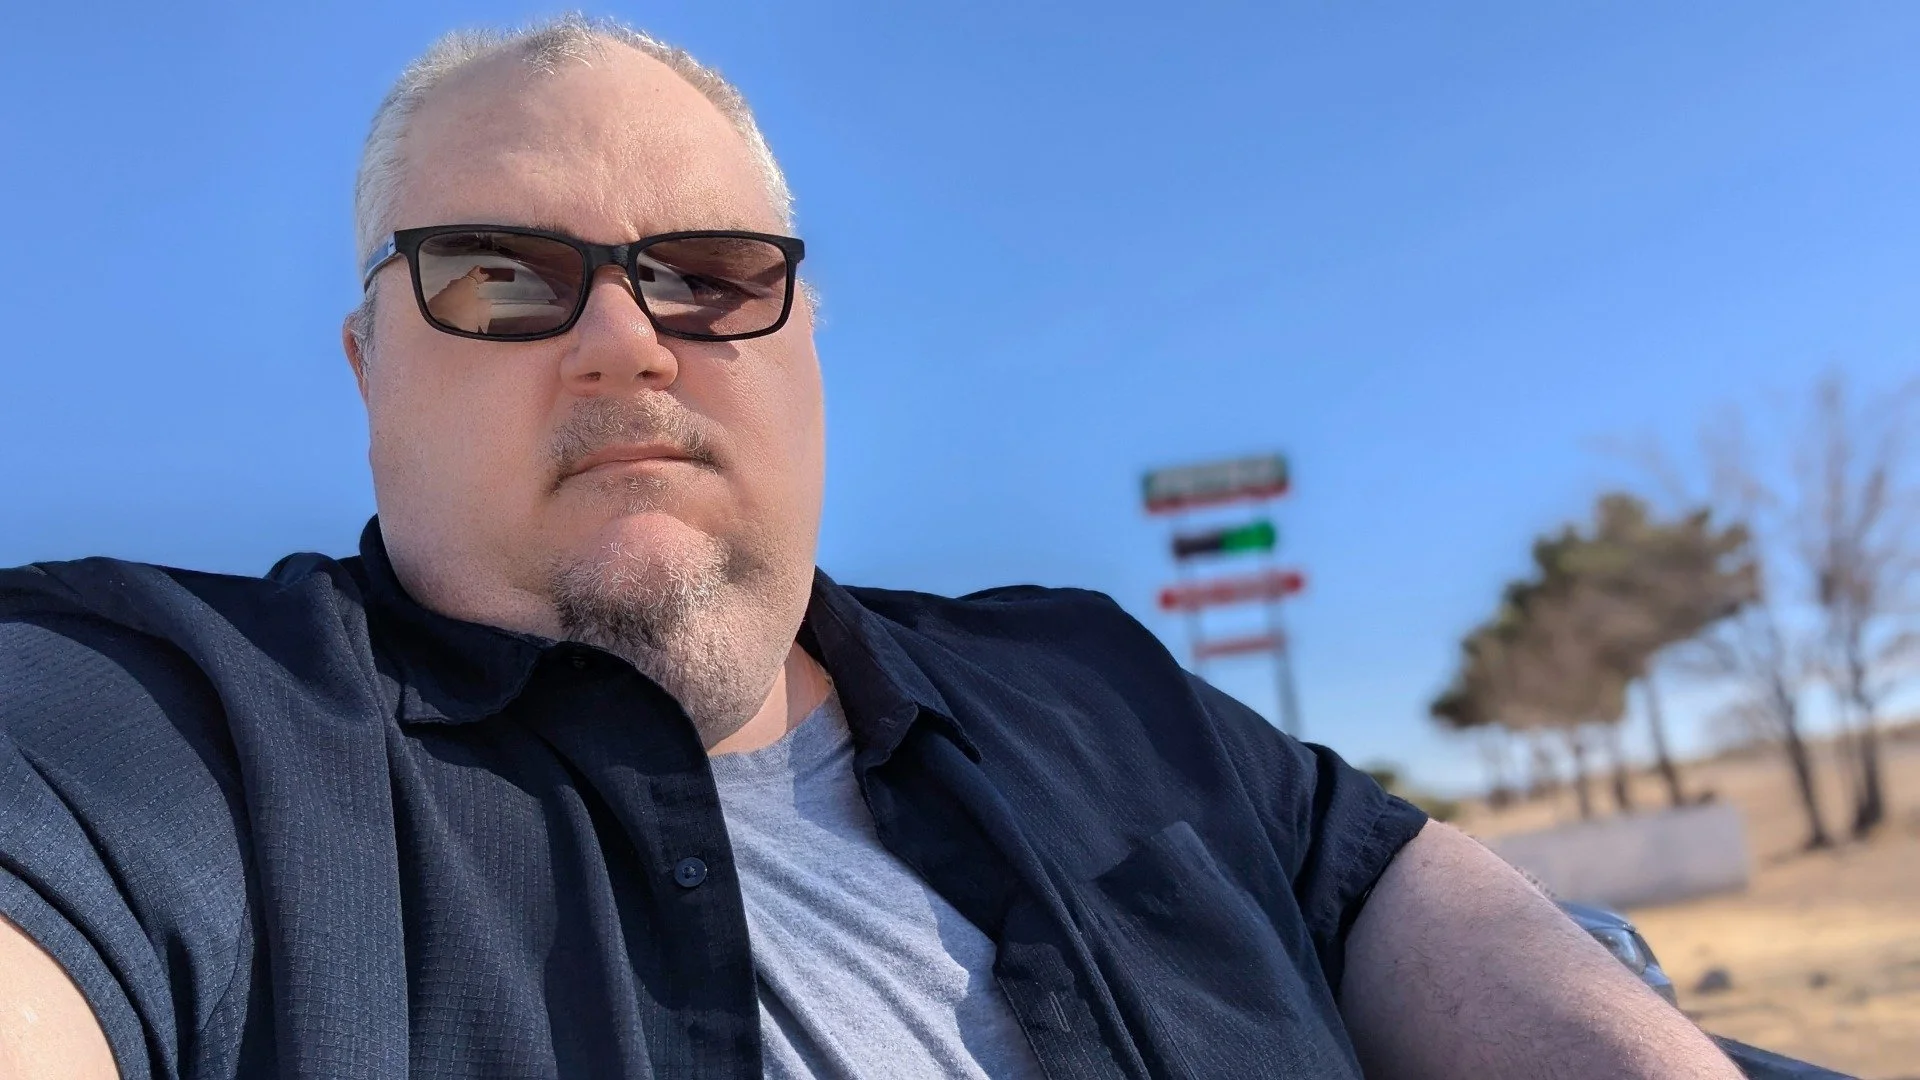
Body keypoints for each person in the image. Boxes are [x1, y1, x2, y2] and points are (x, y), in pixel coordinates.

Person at [0, 16, 1742, 1080]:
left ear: (805, 336)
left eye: (709, 273)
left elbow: (1390, 900)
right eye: (501, 274)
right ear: (372, 366)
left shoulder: (1094, 684)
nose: (627, 341)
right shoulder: (161, 737)